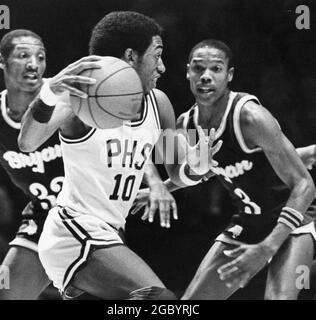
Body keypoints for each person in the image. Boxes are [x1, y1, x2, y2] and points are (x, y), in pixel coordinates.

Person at [18, 11, 219, 300]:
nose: (161, 67)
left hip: (110, 234)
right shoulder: (80, 97)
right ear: (131, 56)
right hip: (73, 230)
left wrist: (199, 166)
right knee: (160, 300)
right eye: (156, 55)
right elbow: (27, 142)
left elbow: (178, 172)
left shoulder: (160, 103)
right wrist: (50, 92)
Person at [133, 39, 316, 300]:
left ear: (228, 75)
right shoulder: (187, 124)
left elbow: (305, 185)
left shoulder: (251, 117)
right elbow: (201, 172)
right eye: (198, 69)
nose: (205, 76)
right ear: (188, 72)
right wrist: (162, 186)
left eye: (216, 69)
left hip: (294, 219)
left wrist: (267, 248)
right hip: (250, 220)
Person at [0, 29, 64, 299]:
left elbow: (123, 136)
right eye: (23, 55)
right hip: (43, 215)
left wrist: (153, 182)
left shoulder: (64, 96)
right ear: (2, 61)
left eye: (40, 56)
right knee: (3, 293)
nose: (33, 64)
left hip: (88, 213)